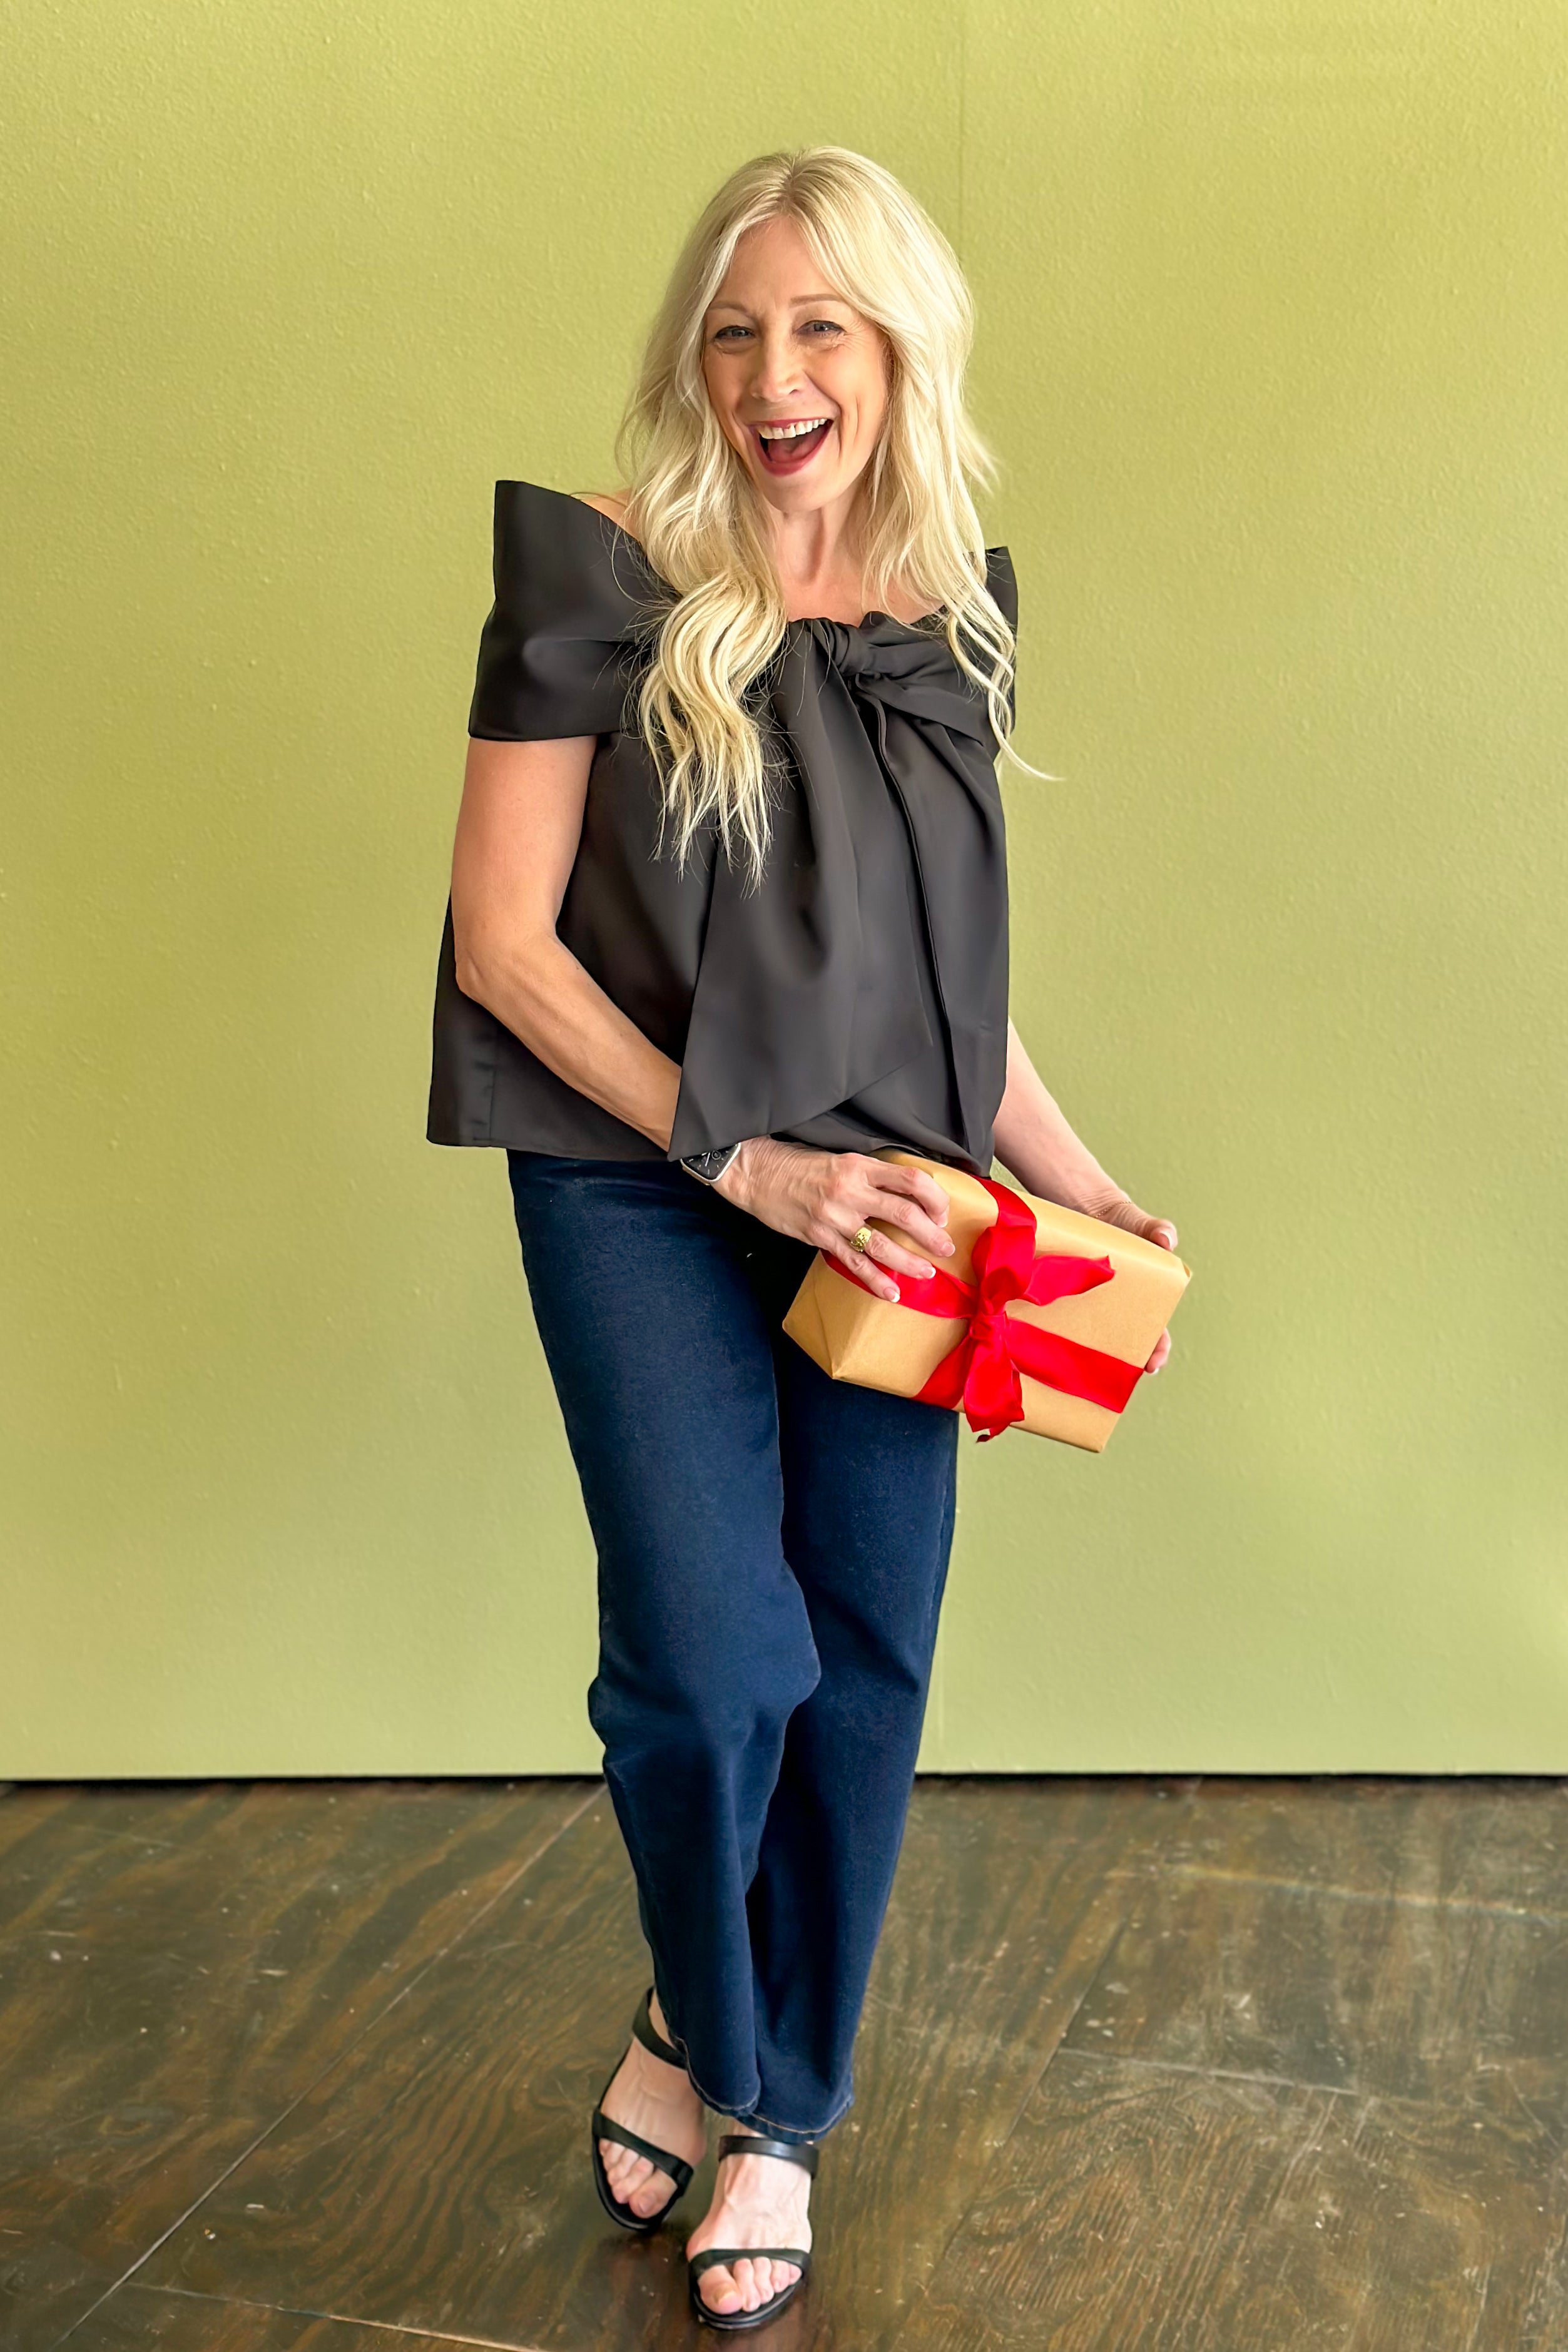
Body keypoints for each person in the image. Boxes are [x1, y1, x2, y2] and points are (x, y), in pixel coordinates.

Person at [427, 145, 1177, 2331]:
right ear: (695, 359)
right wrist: (739, 1161)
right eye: (735, 330)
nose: (773, 377)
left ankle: (766, 2107)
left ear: (897, 349)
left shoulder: (947, 620)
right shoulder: (594, 580)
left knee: (858, 1655)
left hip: (901, 1190)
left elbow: (942, 979)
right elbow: (502, 949)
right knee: (706, 1659)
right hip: (639, 1179)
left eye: (819, 327)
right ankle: (709, 2008)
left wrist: (1071, 1172)